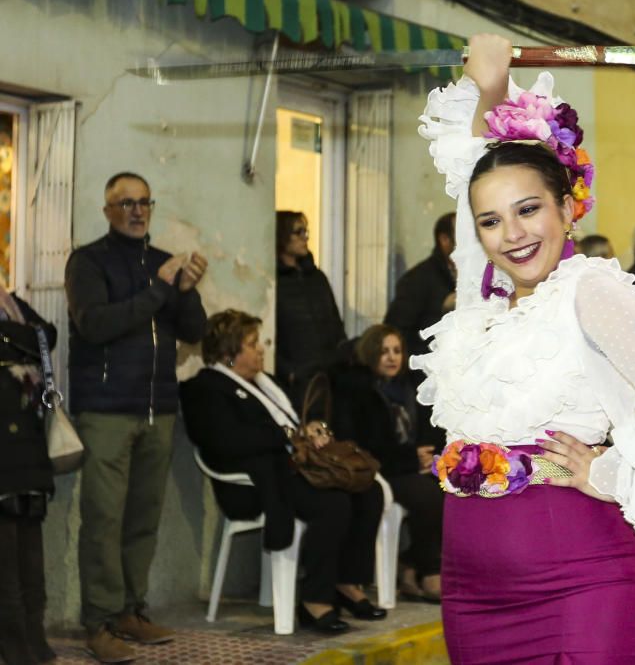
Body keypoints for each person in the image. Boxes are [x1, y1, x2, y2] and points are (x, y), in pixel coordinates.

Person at [415, 34, 635, 663]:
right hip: (472, 597)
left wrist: (608, 472)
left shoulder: (588, 290)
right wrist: (489, 89)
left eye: (529, 209)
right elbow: (477, 175)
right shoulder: (478, 309)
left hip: (581, 586)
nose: (511, 233)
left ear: (567, 208)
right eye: (491, 221)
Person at [65, 172, 208, 663]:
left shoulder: (160, 262)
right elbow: (95, 324)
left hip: (158, 410)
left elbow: (194, 331)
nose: (136, 211)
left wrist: (185, 290)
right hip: (105, 410)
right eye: (125, 203)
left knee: (142, 518)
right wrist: (157, 290)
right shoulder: (88, 261)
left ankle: (130, 610)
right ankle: (99, 621)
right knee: (103, 519)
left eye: (144, 202)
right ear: (108, 211)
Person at [180, 310, 387, 635]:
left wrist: (311, 430)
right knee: (332, 504)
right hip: (257, 481)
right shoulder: (203, 389)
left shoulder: (268, 383)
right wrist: (288, 437)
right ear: (227, 352)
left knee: (368, 490)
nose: (261, 349)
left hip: (292, 469)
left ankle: (347, 581)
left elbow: (294, 420)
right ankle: (315, 600)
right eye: (251, 344)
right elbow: (223, 442)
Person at [331, 324, 445, 602]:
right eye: (384, 352)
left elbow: (429, 430)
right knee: (429, 495)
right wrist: (411, 459)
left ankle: (409, 565)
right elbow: (363, 445)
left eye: (397, 351)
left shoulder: (408, 388)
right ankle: (429, 571)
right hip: (381, 470)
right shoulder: (359, 391)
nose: (392, 358)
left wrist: (429, 454)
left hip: (409, 466)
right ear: (370, 354)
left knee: (453, 485)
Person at [0, 286, 57, 664]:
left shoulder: (10, 301)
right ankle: (15, 643)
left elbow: (46, 336)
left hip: (27, 440)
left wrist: (11, 338)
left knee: (29, 551)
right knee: (5, 553)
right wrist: (21, 340)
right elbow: (32, 339)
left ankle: (34, 637)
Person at [275, 211, 348, 409]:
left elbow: (335, 321)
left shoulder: (317, 278)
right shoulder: (275, 281)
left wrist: (342, 354)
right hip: (297, 375)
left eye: (305, 231)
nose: (304, 238)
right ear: (282, 235)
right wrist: (287, 371)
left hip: (329, 371)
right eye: (298, 232)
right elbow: (271, 332)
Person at [384, 213, 457, 358]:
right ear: (444, 240)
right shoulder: (417, 280)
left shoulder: (483, 274)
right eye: (465, 233)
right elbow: (397, 332)